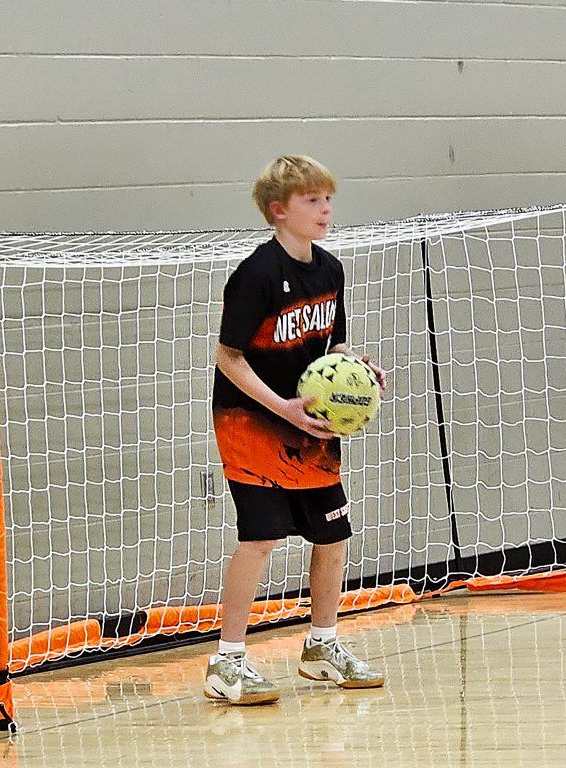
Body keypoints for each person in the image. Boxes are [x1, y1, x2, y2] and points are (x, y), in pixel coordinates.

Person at [205, 155, 388, 705]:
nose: (326, 209)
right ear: (279, 211)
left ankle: (322, 647)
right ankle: (227, 661)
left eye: (328, 199)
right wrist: (282, 408)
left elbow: (330, 345)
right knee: (261, 537)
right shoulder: (256, 275)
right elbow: (228, 357)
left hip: (311, 426)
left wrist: (357, 368)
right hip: (252, 422)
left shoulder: (330, 270)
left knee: (333, 534)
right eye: (312, 201)